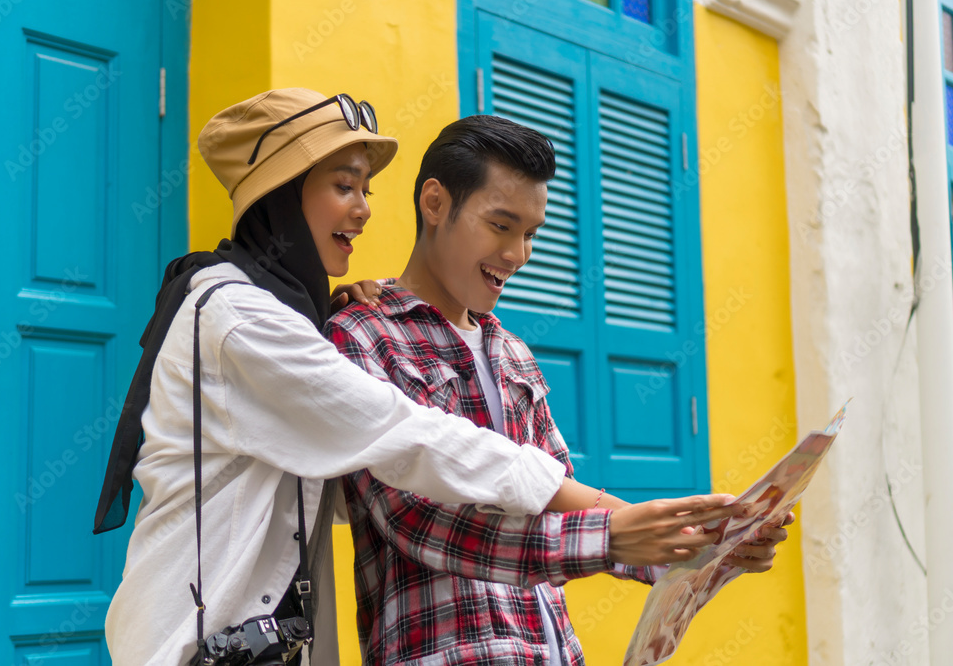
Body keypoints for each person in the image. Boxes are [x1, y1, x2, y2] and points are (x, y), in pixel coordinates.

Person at [92, 89, 738, 666]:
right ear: (281, 194)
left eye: (366, 189)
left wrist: (692, 547)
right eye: (344, 186)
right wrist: (612, 521)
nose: (365, 209)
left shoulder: (504, 353)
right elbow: (409, 463)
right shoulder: (254, 319)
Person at [326, 115, 791, 665]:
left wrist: (707, 546)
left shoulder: (513, 352)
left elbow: (560, 501)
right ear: (434, 203)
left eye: (531, 233)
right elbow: (415, 517)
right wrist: (612, 536)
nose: (518, 254)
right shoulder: (361, 335)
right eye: (501, 225)